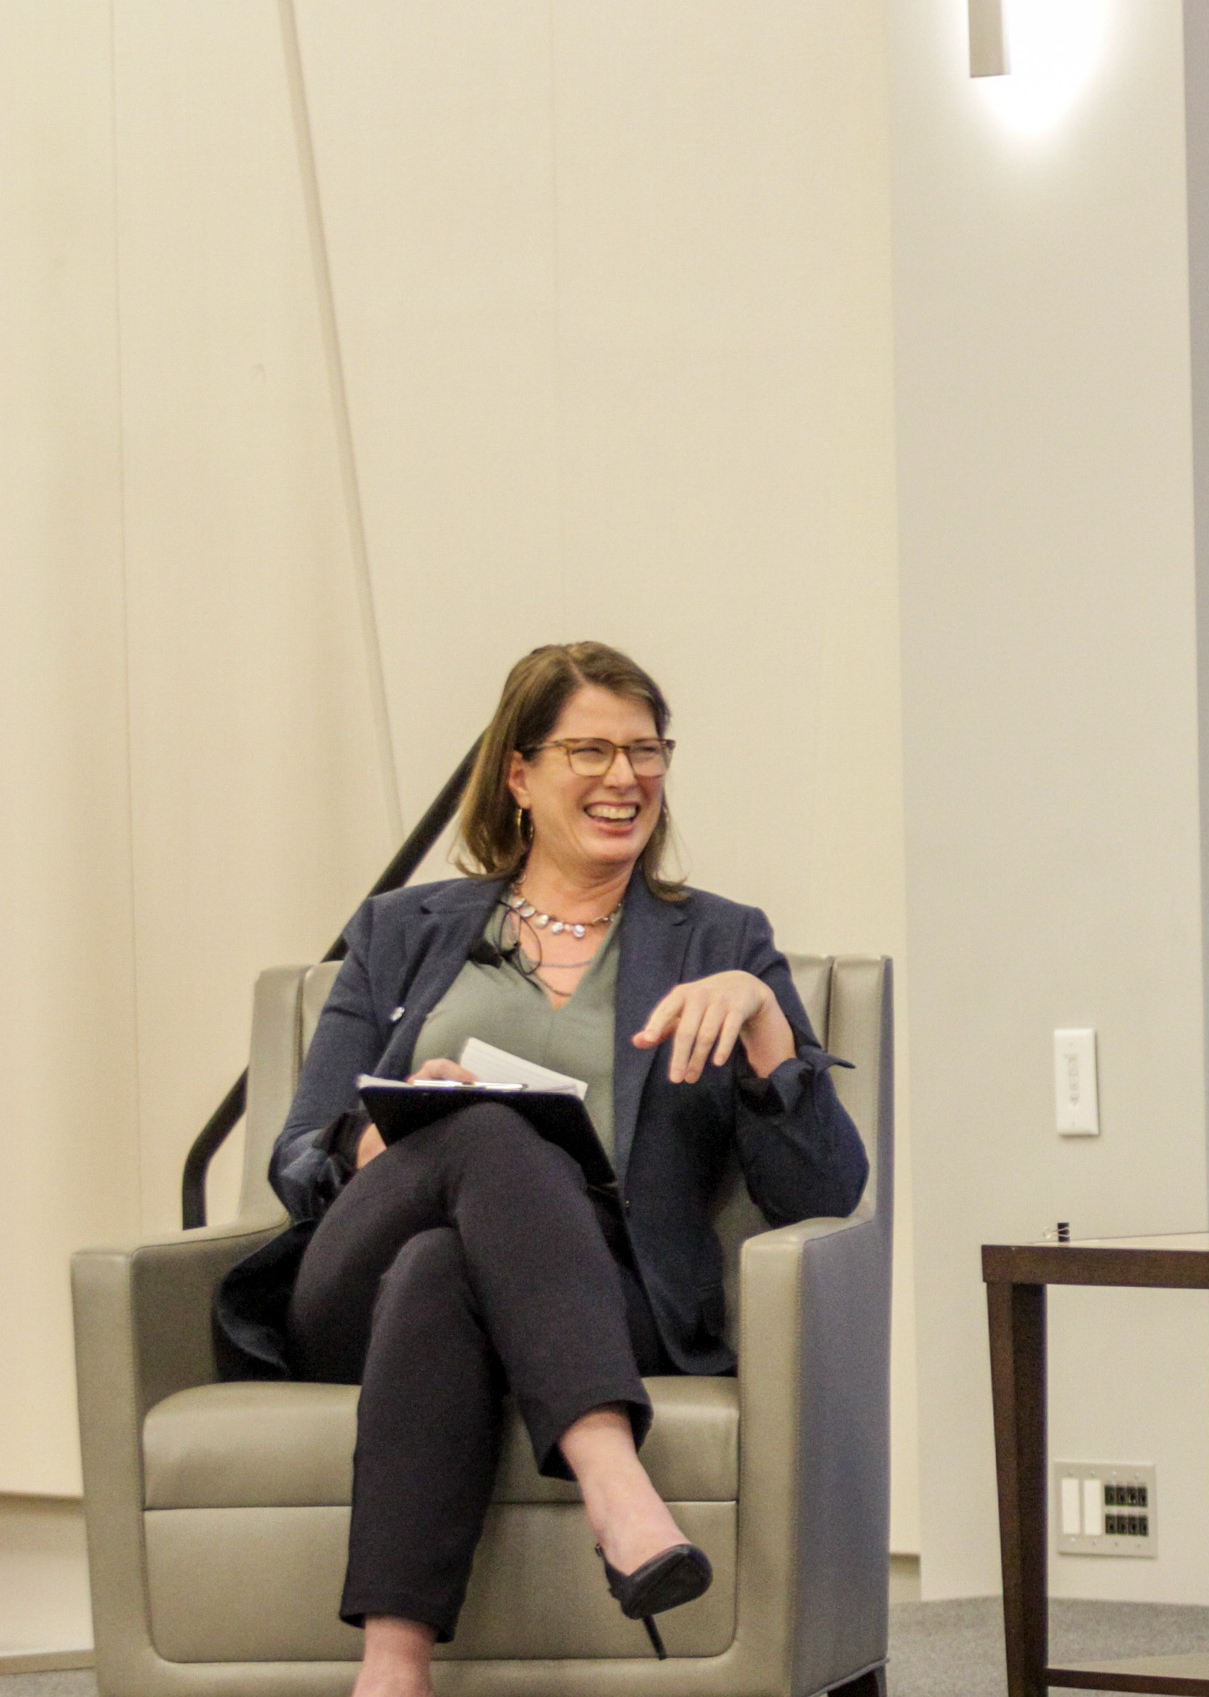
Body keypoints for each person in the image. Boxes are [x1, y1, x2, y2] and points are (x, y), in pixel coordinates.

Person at [213, 642, 869, 1697]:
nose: (626, 777)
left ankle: (392, 1667)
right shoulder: (400, 930)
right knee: (480, 1135)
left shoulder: (721, 940)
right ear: (518, 773)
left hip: (606, 1291)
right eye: (592, 749)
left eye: (646, 749)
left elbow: (822, 1192)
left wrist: (761, 1025)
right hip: (353, 1283)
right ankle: (617, 1484)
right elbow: (300, 1155)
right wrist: (386, 1139)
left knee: (446, 1265)